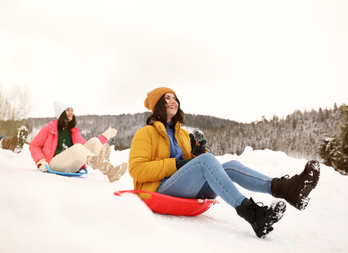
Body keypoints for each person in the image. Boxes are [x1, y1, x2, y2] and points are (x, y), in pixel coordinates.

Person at [128, 87, 320, 238]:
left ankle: (284, 189)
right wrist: (177, 164)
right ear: (158, 106)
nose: (173, 101)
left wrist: (197, 153)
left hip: (183, 188)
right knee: (207, 161)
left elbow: (194, 167)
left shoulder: (183, 134)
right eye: (167, 98)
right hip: (160, 190)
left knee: (230, 166)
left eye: (175, 97)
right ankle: (252, 213)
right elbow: (137, 170)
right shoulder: (146, 133)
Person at [29, 100, 127, 182]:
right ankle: (93, 161)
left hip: (71, 166)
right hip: (54, 165)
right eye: (68, 110)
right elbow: (34, 145)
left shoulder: (73, 132)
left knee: (93, 141)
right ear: (61, 113)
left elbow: (86, 148)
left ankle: (110, 170)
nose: (71, 112)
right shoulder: (49, 129)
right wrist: (41, 161)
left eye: (72, 110)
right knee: (77, 147)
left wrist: (105, 136)